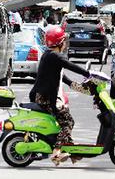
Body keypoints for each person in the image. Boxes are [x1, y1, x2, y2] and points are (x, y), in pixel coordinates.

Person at [29, 25, 92, 166]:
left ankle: (74, 153)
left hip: (42, 96)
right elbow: (70, 65)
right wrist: (89, 74)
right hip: (47, 99)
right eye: (64, 41)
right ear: (60, 42)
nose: (65, 44)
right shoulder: (55, 56)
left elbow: (59, 75)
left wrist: (74, 85)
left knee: (64, 122)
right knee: (68, 122)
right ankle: (57, 151)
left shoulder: (48, 55)